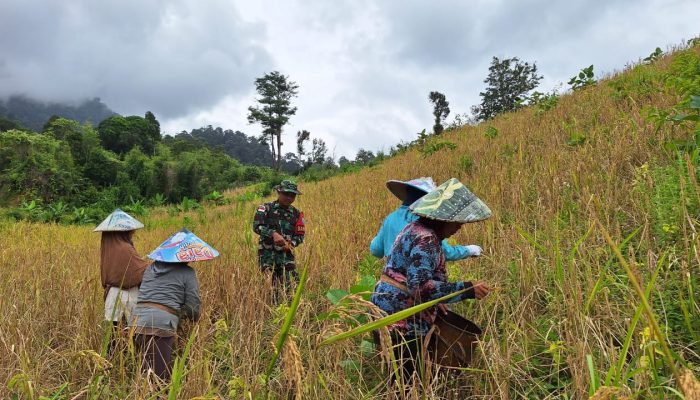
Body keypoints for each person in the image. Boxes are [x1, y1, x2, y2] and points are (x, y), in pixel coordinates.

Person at [371, 178, 492, 384]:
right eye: (457, 221)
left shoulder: (415, 228)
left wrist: (439, 298)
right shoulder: (426, 239)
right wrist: (466, 289)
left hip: (387, 309)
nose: (460, 226)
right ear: (443, 218)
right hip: (401, 318)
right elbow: (420, 287)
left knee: (398, 377)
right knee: (406, 381)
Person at [129, 228, 219, 382]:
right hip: (161, 325)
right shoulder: (187, 273)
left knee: (145, 371)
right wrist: (191, 317)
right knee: (160, 377)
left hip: (137, 322)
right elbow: (193, 306)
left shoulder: (150, 269)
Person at [370, 177, 483, 261]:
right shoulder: (426, 220)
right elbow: (444, 252)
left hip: (390, 284)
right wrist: (469, 250)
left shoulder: (390, 218)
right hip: (416, 284)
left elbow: (376, 250)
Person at [94, 209, 149, 340]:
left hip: (112, 296)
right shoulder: (125, 248)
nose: (133, 233)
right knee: (130, 335)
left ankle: (113, 359)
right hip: (126, 296)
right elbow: (137, 272)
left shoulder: (109, 246)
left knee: (113, 335)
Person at [253, 179, 305, 301]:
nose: (289, 197)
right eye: (286, 194)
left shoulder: (297, 214)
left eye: (292, 195)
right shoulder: (265, 208)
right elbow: (257, 226)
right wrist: (273, 234)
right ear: (279, 192)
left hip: (286, 257)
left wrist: (291, 244)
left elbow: (300, 235)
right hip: (267, 255)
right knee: (270, 288)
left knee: (292, 287)